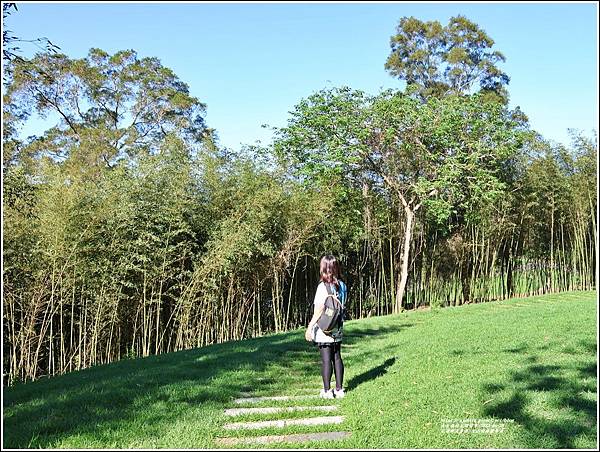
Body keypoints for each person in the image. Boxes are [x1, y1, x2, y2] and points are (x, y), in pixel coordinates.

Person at [305, 254, 347, 399]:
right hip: (337, 327)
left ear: (323, 268)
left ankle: (327, 391)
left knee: (326, 360)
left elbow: (318, 311)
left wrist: (309, 327)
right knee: (337, 357)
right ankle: (340, 389)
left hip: (324, 329)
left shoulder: (322, 287)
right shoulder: (342, 286)